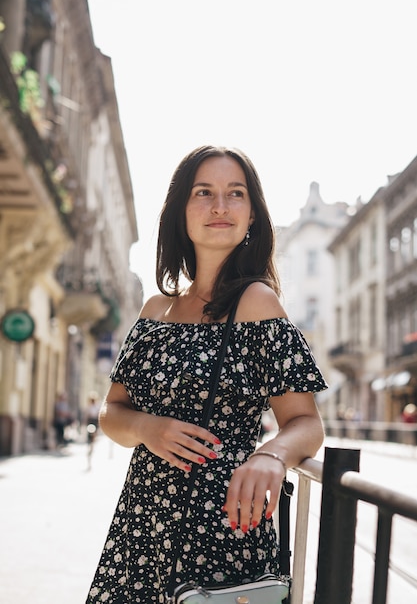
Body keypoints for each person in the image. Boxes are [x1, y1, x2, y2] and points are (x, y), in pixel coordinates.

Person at [86, 145, 328, 603]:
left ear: (252, 215)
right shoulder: (156, 310)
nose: (220, 206)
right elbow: (111, 411)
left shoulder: (257, 303)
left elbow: (307, 421)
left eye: (236, 194)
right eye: (204, 192)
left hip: (222, 531)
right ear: (180, 212)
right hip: (141, 528)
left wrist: (271, 454)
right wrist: (146, 426)